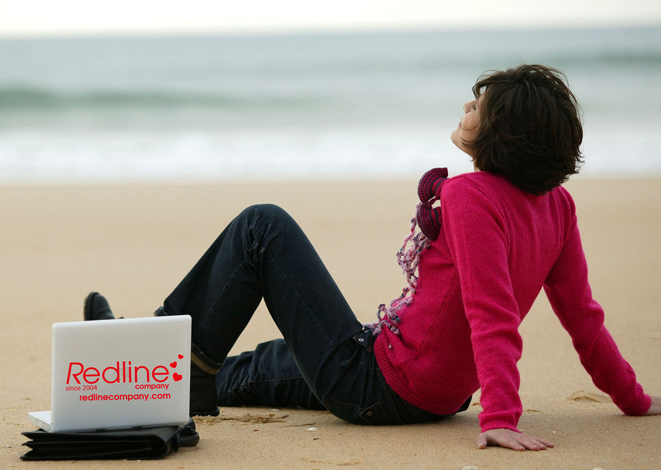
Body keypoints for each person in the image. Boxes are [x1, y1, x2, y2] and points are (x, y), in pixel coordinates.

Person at [84, 64, 660, 451]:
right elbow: (584, 319)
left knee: (263, 226)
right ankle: (156, 366)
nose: (467, 104)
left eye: (479, 104)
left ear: (503, 132)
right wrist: (633, 400)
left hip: (381, 385)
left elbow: (493, 314)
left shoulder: (468, 197)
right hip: (419, 380)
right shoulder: (556, 206)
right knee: (265, 366)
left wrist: (501, 419)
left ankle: (144, 351)